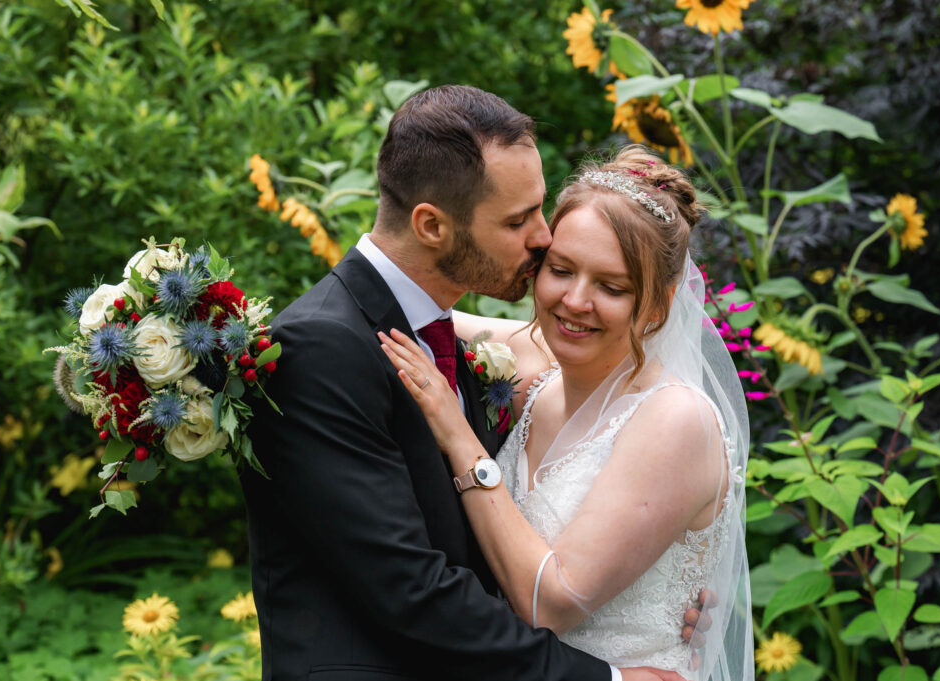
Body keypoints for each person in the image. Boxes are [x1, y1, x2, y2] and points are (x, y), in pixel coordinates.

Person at [242, 86, 691, 681]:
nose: (543, 237)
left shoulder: (441, 334)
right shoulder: (320, 349)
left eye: (539, 209)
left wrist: (649, 596)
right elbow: (412, 592)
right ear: (431, 224)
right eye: (517, 220)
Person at [379, 146, 754, 681]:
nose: (575, 301)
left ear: (660, 304)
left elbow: (548, 605)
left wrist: (460, 437)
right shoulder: (536, 363)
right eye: (561, 269)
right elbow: (404, 306)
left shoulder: (675, 420)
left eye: (612, 286)